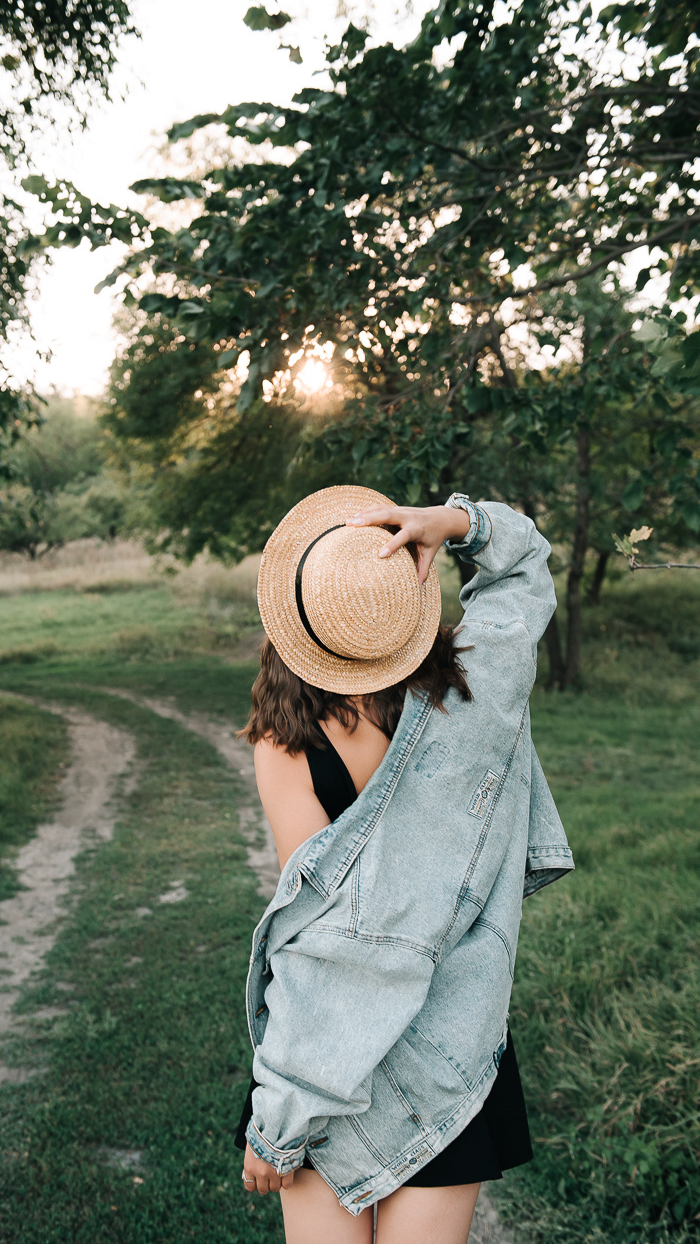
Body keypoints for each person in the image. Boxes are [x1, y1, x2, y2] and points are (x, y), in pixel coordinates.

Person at [233, 487, 574, 1244]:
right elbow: (523, 568)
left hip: (330, 1057)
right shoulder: (477, 694)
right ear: (407, 596)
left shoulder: (284, 744)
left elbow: (324, 943)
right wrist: (450, 523)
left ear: (295, 619)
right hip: (453, 1043)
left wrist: (283, 1108)